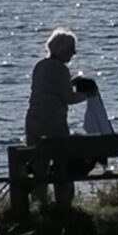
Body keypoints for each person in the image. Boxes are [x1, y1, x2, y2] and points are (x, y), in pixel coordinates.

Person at [26, 27, 99, 207]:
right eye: (71, 49)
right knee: (62, 164)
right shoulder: (60, 69)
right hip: (52, 123)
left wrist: (70, 82)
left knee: (39, 167)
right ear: (63, 49)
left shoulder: (40, 65)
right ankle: (63, 204)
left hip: (33, 121)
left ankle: (39, 203)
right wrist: (88, 95)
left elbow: (50, 89)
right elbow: (67, 98)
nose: (74, 53)